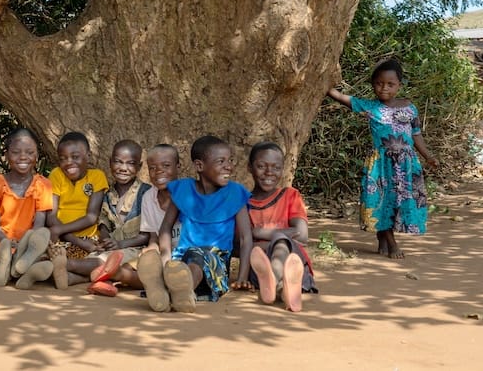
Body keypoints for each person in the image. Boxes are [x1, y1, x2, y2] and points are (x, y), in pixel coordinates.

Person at [328, 59, 438, 259]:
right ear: (372, 85)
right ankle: (392, 244)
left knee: (398, 201)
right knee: (382, 200)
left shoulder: (410, 108)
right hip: (381, 165)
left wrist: (428, 156)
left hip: (406, 164)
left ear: (399, 85)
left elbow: (416, 134)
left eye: (390, 84)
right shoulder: (370, 107)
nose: (384, 88)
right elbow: (343, 98)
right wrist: (325, 86)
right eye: (379, 83)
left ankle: (383, 236)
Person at [138, 136, 253, 313]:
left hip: (216, 264)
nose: (228, 166)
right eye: (221, 161)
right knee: (185, 259)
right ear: (199, 166)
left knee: (198, 257)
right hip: (180, 259)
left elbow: (246, 238)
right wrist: (166, 257)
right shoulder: (183, 189)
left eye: (230, 160)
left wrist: (243, 276)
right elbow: (165, 228)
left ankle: (173, 288)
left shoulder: (235, 193)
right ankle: (168, 289)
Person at [0, 128, 55, 289]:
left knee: (39, 250)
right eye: (16, 152)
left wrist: (23, 243)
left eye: (30, 152)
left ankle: (17, 268)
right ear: (7, 155)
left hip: (29, 243)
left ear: (36, 156)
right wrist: (7, 242)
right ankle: (13, 270)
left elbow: (39, 224)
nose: (23, 156)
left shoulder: (43, 184)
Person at [66, 140, 152, 297]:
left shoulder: (146, 193)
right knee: (98, 257)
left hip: (136, 248)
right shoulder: (108, 194)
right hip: (113, 248)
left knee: (109, 262)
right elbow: (103, 224)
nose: (123, 168)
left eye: (130, 164)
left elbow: (147, 234)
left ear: (139, 167)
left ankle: (66, 265)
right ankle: (77, 279)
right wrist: (106, 241)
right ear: (110, 162)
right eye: (118, 162)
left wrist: (120, 244)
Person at [245, 141, 317, 312]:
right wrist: (282, 235)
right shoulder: (243, 203)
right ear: (249, 168)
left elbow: (302, 235)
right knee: (281, 239)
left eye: (276, 167)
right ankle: (282, 290)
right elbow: (241, 244)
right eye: (261, 166)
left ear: (283, 169)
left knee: (281, 242)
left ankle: (277, 280)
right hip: (258, 271)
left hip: (295, 266)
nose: (269, 172)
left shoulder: (290, 195)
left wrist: (259, 232)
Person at [46, 132, 109, 290]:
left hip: (89, 239)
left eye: (75, 157)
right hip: (63, 239)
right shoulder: (56, 175)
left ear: (88, 155)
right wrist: (76, 241)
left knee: (101, 261)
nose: (68, 163)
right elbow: (51, 216)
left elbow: (91, 217)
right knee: (46, 255)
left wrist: (60, 229)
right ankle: (70, 276)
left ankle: (67, 274)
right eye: (63, 158)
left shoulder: (97, 177)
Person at [140, 144, 181, 251]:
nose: (158, 171)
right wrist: (151, 251)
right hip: (164, 252)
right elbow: (154, 237)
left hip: (188, 252)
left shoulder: (189, 194)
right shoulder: (148, 198)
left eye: (166, 165)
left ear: (178, 167)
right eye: (152, 168)